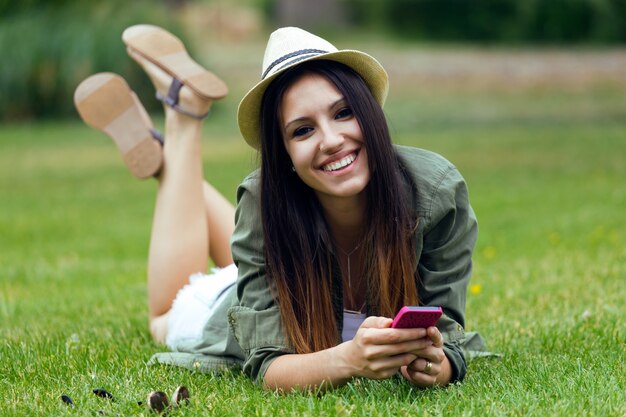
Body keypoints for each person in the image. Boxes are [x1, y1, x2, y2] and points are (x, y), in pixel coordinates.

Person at [75, 25, 482, 392]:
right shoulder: (261, 201)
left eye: (344, 112)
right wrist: (349, 360)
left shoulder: (435, 193)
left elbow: (448, 331)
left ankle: (170, 162)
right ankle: (183, 120)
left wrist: (441, 366)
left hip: (270, 268)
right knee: (163, 316)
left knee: (253, 228)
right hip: (240, 298)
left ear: (371, 112)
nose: (331, 139)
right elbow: (267, 365)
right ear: (284, 153)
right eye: (302, 130)